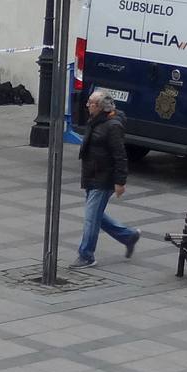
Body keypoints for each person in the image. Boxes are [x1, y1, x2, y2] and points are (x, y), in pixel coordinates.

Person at [70, 90, 139, 269]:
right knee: (96, 215)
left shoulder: (112, 126)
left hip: (103, 178)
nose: (87, 105)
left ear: (100, 107)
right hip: (93, 175)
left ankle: (86, 255)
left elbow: (120, 155)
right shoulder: (96, 120)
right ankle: (128, 236)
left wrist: (120, 182)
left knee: (91, 218)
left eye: (90, 103)